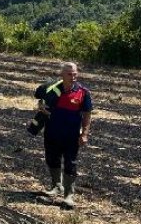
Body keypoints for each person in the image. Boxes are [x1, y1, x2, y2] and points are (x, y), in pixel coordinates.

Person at [34, 62, 92, 208]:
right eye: (69, 74)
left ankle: (68, 195)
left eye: (75, 74)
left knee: (70, 163)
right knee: (52, 159)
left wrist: (84, 133)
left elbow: (87, 114)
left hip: (71, 134)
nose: (73, 77)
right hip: (52, 131)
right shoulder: (51, 89)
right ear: (61, 75)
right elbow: (39, 99)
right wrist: (41, 106)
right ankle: (56, 186)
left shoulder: (83, 92)